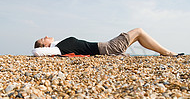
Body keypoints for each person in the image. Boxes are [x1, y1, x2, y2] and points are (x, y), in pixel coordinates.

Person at [32, 28, 181, 57]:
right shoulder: (57, 48)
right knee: (139, 32)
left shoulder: (59, 45)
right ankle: (167, 52)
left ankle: (164, 52)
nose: (45, 36)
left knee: (136, 36)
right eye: (43, 39)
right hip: (107, 49)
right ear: (45, 45)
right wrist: (41, 49)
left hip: (105, 47)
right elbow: (37, 52)